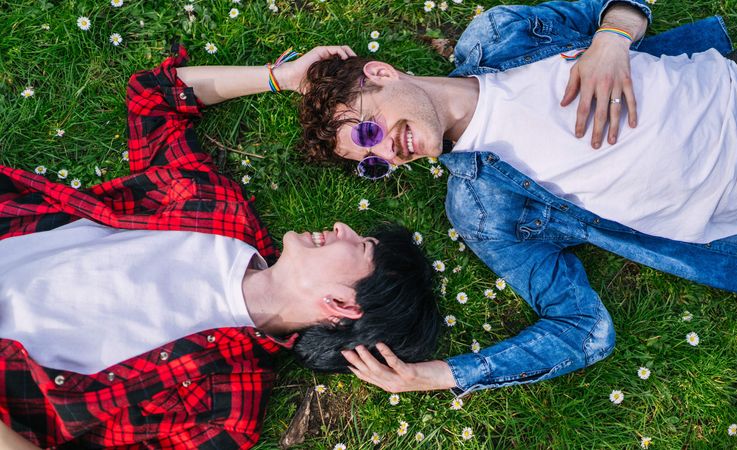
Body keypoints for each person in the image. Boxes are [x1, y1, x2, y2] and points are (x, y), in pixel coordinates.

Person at [296, 0, 737, 396]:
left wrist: (612, 38)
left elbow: (623, 5)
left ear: (382, 74)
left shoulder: (498, 34)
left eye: (368, 131)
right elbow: (583, 329)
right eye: (373, 161)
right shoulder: (483, 211)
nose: (388, 151)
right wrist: (441, 375)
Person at [0, 45, 440, 449]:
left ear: (342, 305)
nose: (343, 226)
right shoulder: (217, 212)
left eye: (362, 246)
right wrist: (284, 77)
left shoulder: (224, 411)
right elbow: (153, 98)